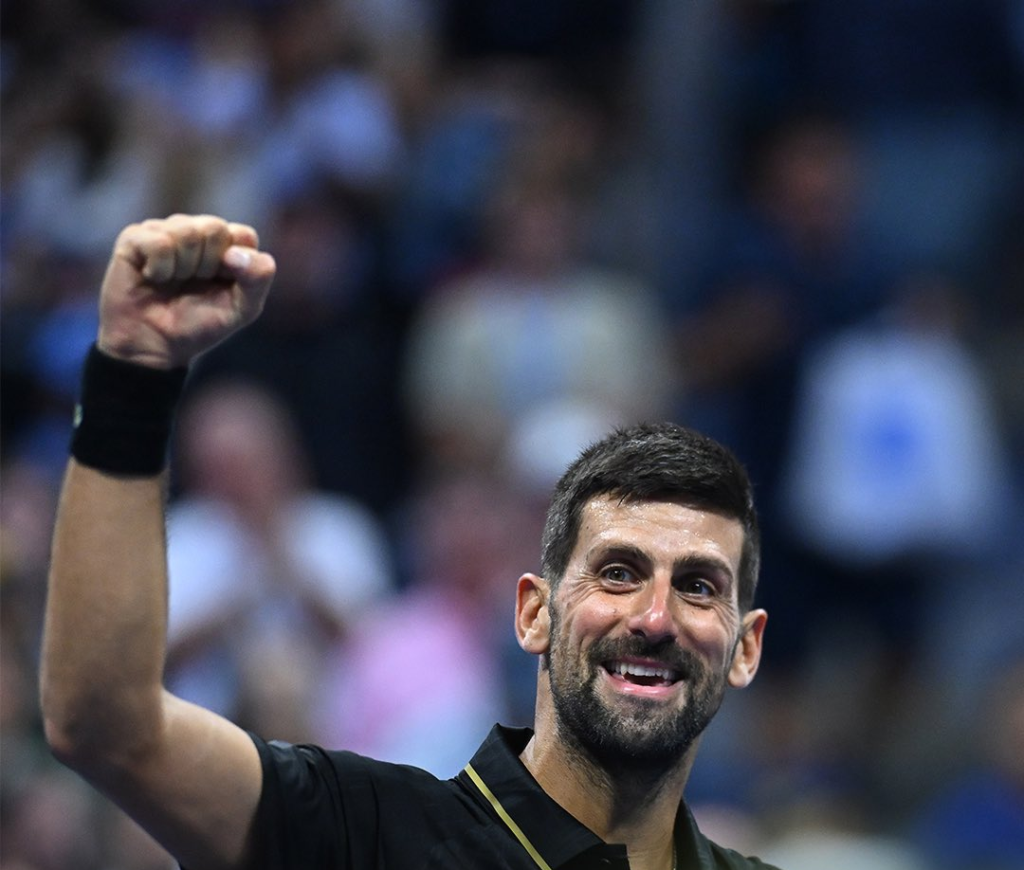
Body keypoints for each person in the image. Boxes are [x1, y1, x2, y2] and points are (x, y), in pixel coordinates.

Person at [40, 214, 779, 870]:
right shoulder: (373, 831)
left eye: (698, 585)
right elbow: (107, 725)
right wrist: (132, 375)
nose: (655, 618)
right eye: (618, 572)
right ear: (533, 612)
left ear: (745, 648)